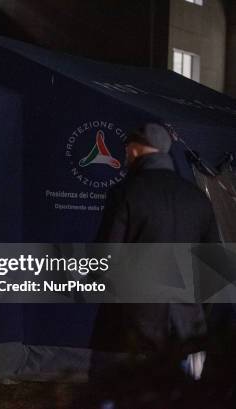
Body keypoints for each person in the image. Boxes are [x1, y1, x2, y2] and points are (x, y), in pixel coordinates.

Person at [92, 123, 219, 372]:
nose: (125, 153)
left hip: (131, 332)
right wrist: (196, 315)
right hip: (188, 330)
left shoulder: (125, 193)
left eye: (128, 147)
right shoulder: (197, 197)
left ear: (137, 150)